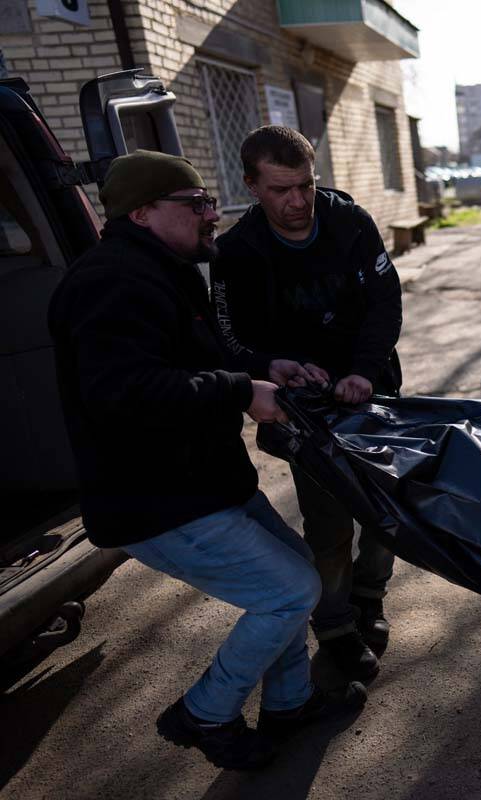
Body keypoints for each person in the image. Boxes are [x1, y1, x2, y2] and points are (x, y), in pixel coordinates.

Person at [47, 150, 366, 770]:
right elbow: (125, 394)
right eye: (195, 204)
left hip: (203, 481)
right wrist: (243, 393)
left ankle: (290, 703)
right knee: (290, 590)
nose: (211, 215)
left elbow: (193, 355)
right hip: (156, 500)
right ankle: (205, 712)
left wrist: (260, 367)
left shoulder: (159, 268)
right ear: (141, 212)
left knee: (294, 573)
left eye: (210, 201)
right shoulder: (110, 283)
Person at [211, 126, 404, 682]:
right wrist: (274, 365)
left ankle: (371, 597)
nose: (297, 202)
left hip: (372, 392)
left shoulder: (351, 224)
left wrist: (363, 372)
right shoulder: (237, 251)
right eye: (280, 190)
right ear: (251, 186)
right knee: (329, 525)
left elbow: (384, 305)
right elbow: (230, 338)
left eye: (306, 185)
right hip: (304, 409)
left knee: (388, 514)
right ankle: (337, 625)